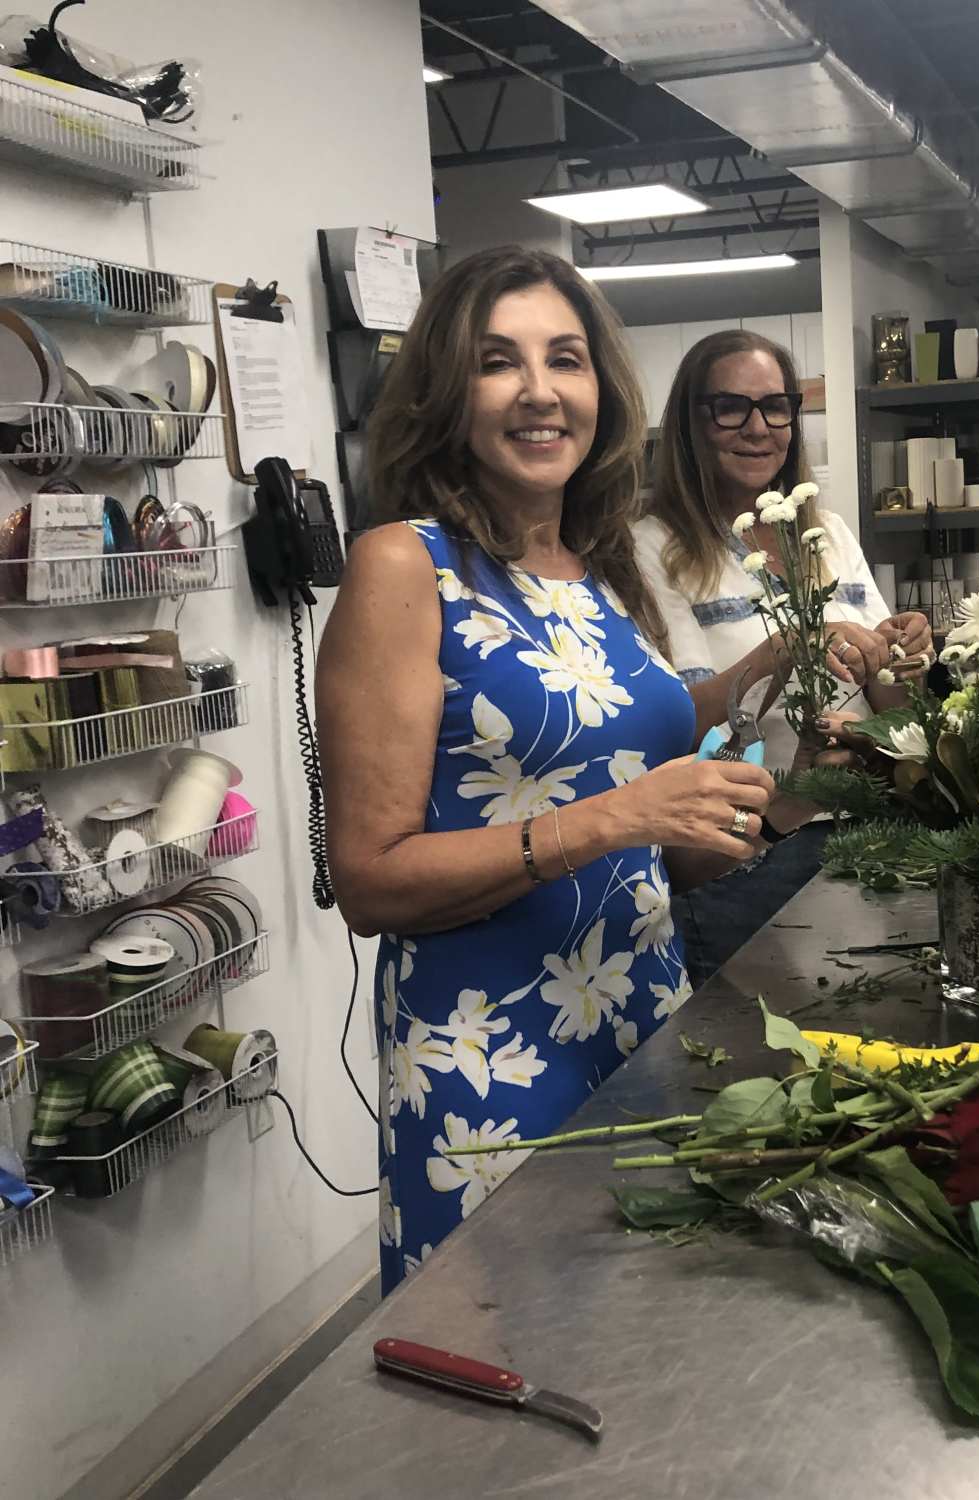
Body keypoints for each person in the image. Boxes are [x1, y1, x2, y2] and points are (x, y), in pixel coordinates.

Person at [316, 249, 828, 1295]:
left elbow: (632, 752)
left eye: (568, 359)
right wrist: (614, 818)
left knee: (652, 1360)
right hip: (490, 1058)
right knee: (515, 1375)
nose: (542, 391)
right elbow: (369, 878)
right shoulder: (405, 566)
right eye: (500, 362)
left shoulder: (593, 571)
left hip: (644, 1018)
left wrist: (777, 720)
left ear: (604, 387)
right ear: (448, 392)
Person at [633, 329, 932, 987]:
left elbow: (892, 709)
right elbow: (675, 722)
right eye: (730, 407)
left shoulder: (829, 533)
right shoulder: (652, 547)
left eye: (776, 406)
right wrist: (779, 653)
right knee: (756, 1064)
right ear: (691, 420)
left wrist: (897, 655)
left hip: (867, 837)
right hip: (746, 852)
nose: (758, 427)